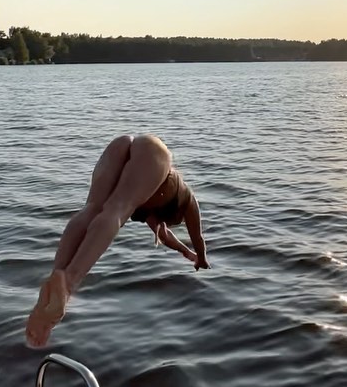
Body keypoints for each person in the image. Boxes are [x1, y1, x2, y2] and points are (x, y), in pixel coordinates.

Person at [25, 133, 209, 347]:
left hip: (122, 143)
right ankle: (69, 284)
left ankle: (58, 275)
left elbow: (164, 235)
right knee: (116, 211)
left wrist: (186, 252)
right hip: (153, 150)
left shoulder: (150, 198)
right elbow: (197, 236)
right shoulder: (187, 199)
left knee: (92, 209)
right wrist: (201, 258)